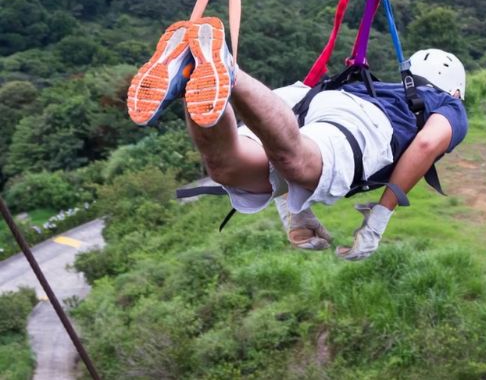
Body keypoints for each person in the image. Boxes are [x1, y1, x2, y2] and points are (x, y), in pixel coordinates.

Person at [125, 17, 468, 260]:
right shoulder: (449, 104)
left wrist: (296, 213)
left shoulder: (385, 87)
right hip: (360, 121)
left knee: (227, 166)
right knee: (298, 162)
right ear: (455, 89)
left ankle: (191, 75)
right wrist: (378, 220)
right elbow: (426, 144)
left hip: (307, 99)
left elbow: (284, 158)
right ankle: (228, 71)